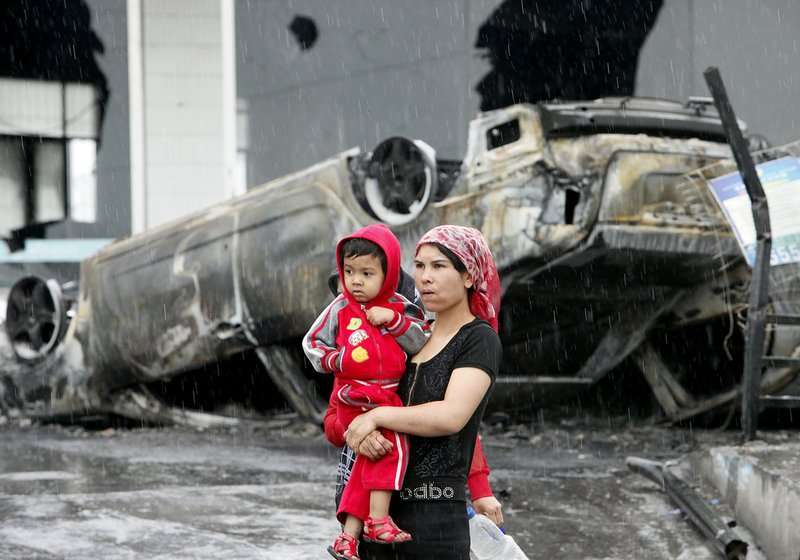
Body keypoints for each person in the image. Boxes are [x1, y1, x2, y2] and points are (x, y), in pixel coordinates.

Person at [344, 224, 503, 559]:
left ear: (469, 276)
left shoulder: (478, 339)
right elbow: (363, 397)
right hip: (380, 516)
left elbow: (452, 416)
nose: (425, 277)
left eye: (439, 266)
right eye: (419, 266)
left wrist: (377, 417)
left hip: (437, 521)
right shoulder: (409, 336)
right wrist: (360, 433)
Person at [302, 224, 429, 560]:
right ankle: (376, 520)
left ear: (388, 276)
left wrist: (392, 320)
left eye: (366, 273)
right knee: (388, 448)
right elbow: (313, 345)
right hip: (354, 400)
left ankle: (349, 536)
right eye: (348, 273)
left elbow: (420, 337)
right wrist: (337, 359)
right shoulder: (342, 310)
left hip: (387, 403)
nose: (355, 282)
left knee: (370, 461)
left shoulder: (401, 311)